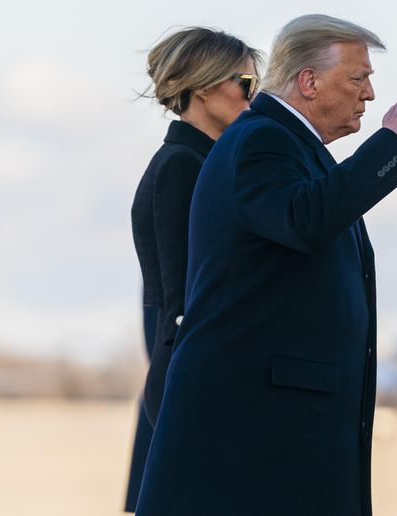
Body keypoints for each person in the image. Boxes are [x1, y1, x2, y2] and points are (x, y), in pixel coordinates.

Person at [136, 14, 397, 515]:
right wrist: (392, 142)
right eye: (357, 77)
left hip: (280, 429)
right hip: (259, 430)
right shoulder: (263, 139)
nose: (369, 94)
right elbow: (304, 220)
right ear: (309, 81)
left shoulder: (297, 149)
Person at [125, 27, 261, 512]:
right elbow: (187, 301)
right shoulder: (183, 166)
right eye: (246, 81)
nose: (254, 94)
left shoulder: (200, 161)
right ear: (204, 87)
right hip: (198, 382)